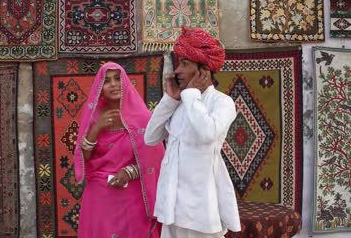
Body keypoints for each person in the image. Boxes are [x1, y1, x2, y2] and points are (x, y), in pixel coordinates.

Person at [144, 27, 241, 238]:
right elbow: (150, 137)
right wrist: (169, 99)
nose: (177, 70)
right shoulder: (179, 103)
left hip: (202, 208)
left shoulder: (222, 103)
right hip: (172, 203)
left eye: (184, 64)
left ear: (203, 71)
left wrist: (191, 94)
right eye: (179, 63)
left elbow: (208, 133)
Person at [74, 62, 165, 238]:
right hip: (100, 193)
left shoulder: (142, 117)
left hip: (132, 194)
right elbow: (84, 158)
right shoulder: (93, 118)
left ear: (126, 82)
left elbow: (156, 159)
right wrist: (96, 129)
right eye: (107, 81)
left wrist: (129, 172)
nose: (114, 84)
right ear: (100, 88)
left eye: (118, 78)